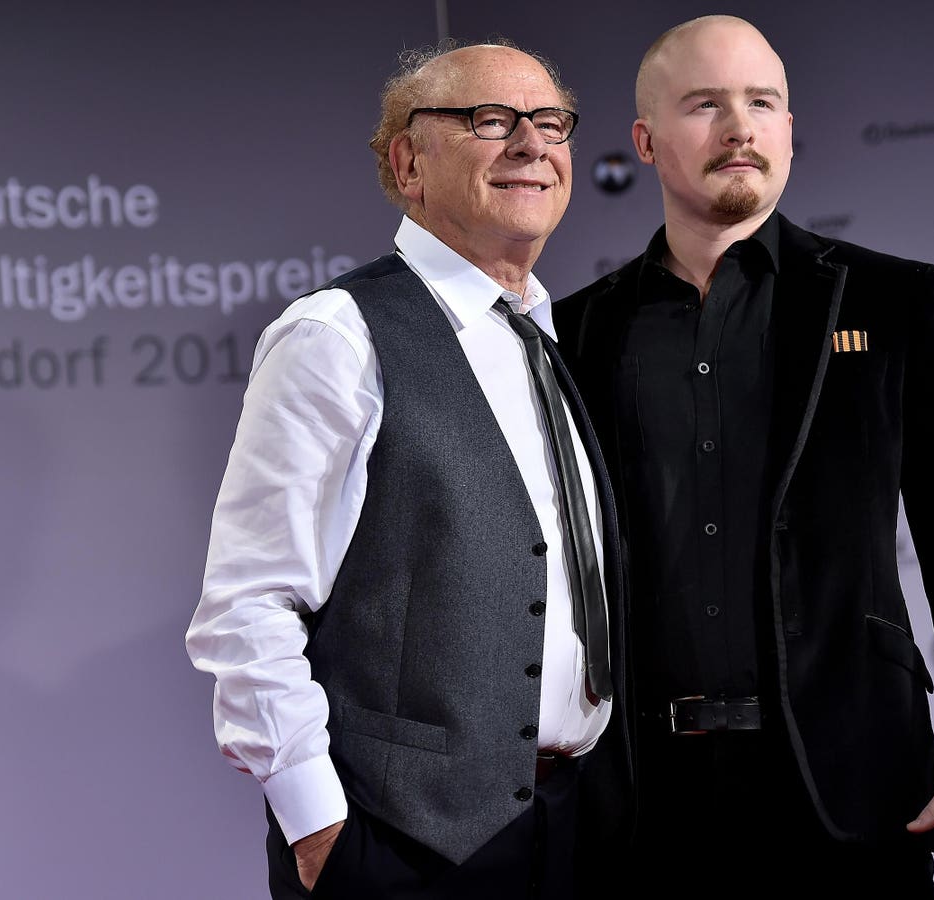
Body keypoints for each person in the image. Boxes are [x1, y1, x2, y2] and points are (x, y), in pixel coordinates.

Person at [555, 15, 934, 896]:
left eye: (763, 102)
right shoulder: (577, 329)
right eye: (706, 104)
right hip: (636, 811)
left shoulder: (895, 300)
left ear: (788, 128)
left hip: (846, 788)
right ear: (646, 142)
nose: (741, 127)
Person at [186, 41, 627, 900]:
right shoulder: (336, 335)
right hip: (402, 847)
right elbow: (248, 606)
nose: (532, 145)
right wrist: (319, 829)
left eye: (550, 122)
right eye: (490, 121)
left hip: (576, 830)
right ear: (408, 160)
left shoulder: (545, 339)